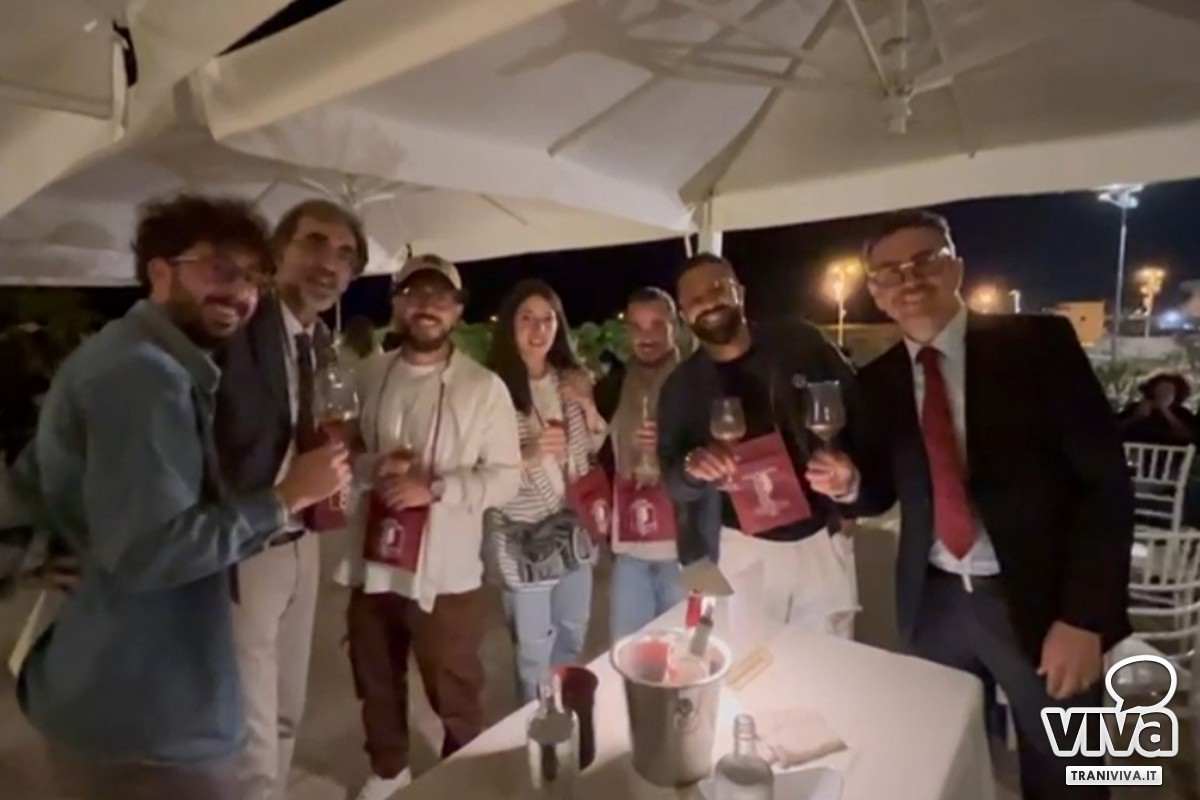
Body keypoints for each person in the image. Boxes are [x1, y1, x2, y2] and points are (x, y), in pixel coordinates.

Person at [8, 195, 349, 800]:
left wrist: (43, 551)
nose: (239, 292)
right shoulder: (144, 375)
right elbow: (151, 551)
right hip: (144, 709)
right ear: (160, 271)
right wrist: (285, 498)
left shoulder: (142, 358)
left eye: (251, 277)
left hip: (115, 681)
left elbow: (34, 483)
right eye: (218, 269)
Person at [824, 210, 1133, 800]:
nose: (909, 278)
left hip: (1039, 604)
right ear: (876, 293)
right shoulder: (878, 380)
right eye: (889, 271)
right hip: (933, 602)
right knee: (946, 757)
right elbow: (882, 489)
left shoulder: (1039, 346)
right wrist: (848, 484)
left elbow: (1105, 487)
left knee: (1073, 772)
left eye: (925, 261)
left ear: (957, 268)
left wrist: (1085, 618)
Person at [336, 255, 521, 800]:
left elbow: (506, 477)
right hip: (373, 561)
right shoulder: (369, 374)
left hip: (446, 571)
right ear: (397, 303)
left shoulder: (483, 387)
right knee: (374, 674)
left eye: (440, 296)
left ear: (458, 310)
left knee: (455, 684)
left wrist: (436, 487)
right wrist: (374, 468)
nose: (427, 306)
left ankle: (462, 773)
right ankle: (388, 770)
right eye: (414, 293)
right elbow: (346, 453)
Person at [212, 198, 367, 800]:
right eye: (315, 243)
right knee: (250, 728)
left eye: (345, 255)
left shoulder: (319, 342)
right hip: (249, 544)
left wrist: (356, 467)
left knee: (286, 710)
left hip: (304, 543)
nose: (330, 263)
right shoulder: (238, 326)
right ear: (278, 253)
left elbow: (317, 436)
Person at [657, 254, 865, 637]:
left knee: (829, 659)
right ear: (684, 315)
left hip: (819, 540)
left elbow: (859, 412)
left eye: (718, 288)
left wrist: (850, 485)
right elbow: (671, 478)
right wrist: (693, 467)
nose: (709, 302)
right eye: (695, 299)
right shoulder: (681, 386)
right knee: (741, 661)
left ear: (741, 292)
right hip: (732, 549)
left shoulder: (799, 343)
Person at [486, 279, 607, 702]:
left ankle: (566, 714)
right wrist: (530, 453)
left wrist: (588, 405)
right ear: (510, 326)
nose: (538, 329)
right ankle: (535, 724)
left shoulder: (569, 382)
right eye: (527, 319)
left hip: (574, 529)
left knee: (573, 634)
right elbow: (481, 467)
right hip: (524, 537)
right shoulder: (492, 389)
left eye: (547, 319)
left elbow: (594, 447)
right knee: (533, 649)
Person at [596, 287, 685, 640]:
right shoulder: (614, 385)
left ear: (675, 326)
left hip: (685, 549)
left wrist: (671, 445)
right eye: (637, 326)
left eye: (657, 325)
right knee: (628, 651)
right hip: (630, 548)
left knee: (685, 652)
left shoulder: (696, 382)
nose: (646, 336)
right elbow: (592, 444)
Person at [1116, 372, 1198, 446]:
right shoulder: (1136, 407)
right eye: (1160, 389)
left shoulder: (1182, 413)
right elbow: (1114, 430)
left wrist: (1166, 412)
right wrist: (1136, 417)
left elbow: (1189, 437)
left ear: (1176, 394)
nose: (1163, 393)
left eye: (1169, 390)